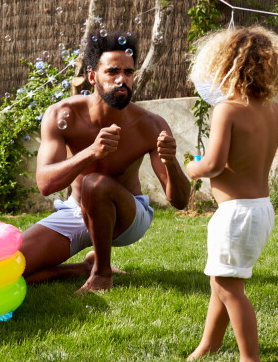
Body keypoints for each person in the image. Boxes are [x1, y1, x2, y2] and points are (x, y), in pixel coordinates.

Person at [20, 32, 191, 294]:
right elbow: (45, 184)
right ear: (92, 77)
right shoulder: (61, 114)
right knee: (13, 266)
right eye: (112, 71)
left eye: (128, 72)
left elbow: (180, 201)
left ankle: (101, 274)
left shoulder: (151, 125)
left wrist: (170, 163)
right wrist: (91, 152)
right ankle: (81, 268)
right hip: (77, 212)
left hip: (127, 217)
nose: (122, 79)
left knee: (95, 183)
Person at [184, 26, 278, 362]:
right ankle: (209, 345)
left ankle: (250, 360)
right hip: (260, 208)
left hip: (235, 214)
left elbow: (214, 164)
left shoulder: (227, 109)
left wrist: (192, 168)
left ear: (226, 65)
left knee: (230, 288)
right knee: (222, 280)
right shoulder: (273, 111)